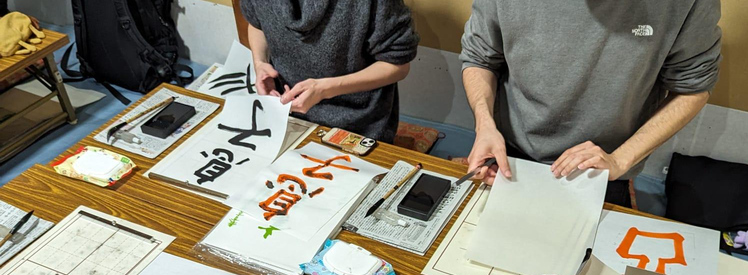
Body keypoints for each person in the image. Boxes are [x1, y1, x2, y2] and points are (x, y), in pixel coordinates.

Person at [460, 0, 722, 207]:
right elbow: (480, 58)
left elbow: (692, 88)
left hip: (603, 169)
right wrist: (484, 124)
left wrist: (620, 160)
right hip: (509, 155)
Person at [239, 0, 419, 143]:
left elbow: (398, 66)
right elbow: (256, 23)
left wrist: (326, 89)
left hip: (358, 127)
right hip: (285, 115)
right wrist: (260, 62)